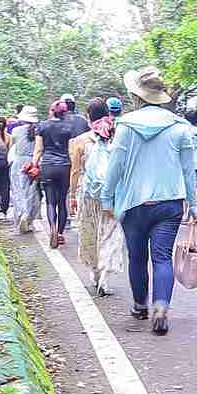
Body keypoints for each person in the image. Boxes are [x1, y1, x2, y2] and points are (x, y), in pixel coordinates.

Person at [101, 67, 197, 334]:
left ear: (137, 96)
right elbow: (188, 171)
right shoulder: (180, 128)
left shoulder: (125, 126)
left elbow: (115, 166)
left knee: (137, 256)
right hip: (169, 203)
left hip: (133, 203)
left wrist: (107, 198)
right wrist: (193, 206)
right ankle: (161, 306)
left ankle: (139, 305)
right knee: (161, 258)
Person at [69, 100, 115, 295]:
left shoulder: (79, 141)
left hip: (88, 195)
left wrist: (72, 196)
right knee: (110, 234)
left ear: (89, 117)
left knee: (90, 233)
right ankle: (105, 277)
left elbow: (75, 171)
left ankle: (95, 273)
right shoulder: (115, 136)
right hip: (111, 195)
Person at [33, 99, 89, 249]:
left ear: (52, 111)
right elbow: (71, 151)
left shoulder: (42, 126)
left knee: (50, 201)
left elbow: (38, 149)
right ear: (65, 113)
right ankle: (59, 232)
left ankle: (51, 227)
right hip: (64, 166)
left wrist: (34, 164)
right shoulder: (69, 128)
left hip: (48, 166)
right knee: (62, 201)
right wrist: (74, 168)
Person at [8, 106, 39, 231]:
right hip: (33, 162)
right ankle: (29, 217)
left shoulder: (15, 130)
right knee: (32, 191)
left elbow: (12, 147)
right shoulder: (39, 130)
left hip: (19, 162)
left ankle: (22, 213)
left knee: (18, 190)